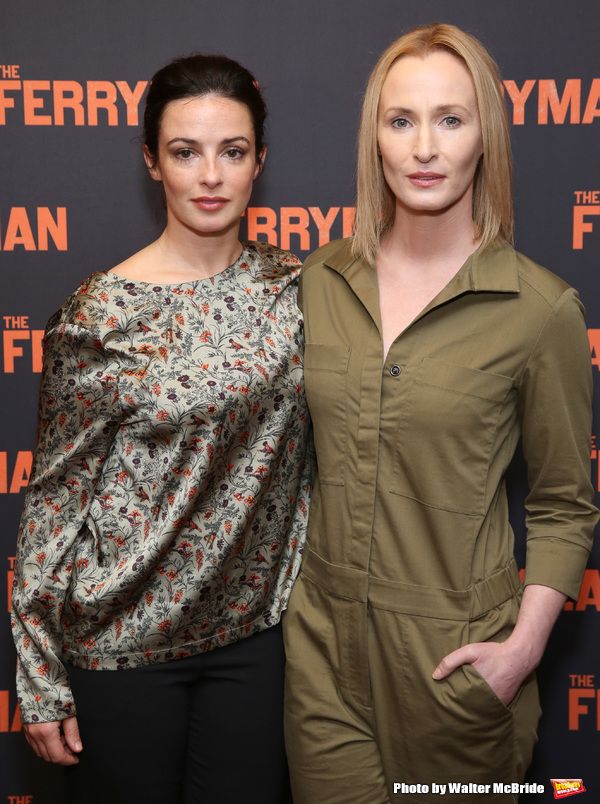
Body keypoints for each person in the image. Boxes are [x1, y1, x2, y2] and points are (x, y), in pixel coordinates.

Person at [283, 23, 597, 804]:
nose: (425, 147)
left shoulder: (539, 308)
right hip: (321, 658)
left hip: (454, 669)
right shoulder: (320, 278)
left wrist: (522, 652)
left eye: (450, 119)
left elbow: (564, 504)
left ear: (485, 135)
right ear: (375, 140)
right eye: (402, 121)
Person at [11, 53, 311, 804]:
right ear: (153, 162)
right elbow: (54, 504)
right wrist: (39, 675)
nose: (210, 175)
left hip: (255, 641)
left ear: (259, 163)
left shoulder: (298, 288)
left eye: (232, 151)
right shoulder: (100, 315)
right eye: (185, 152)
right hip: (121, 647)